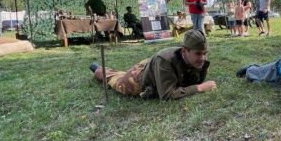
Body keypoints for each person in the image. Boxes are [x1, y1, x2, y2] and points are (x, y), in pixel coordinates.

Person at [89, 29, 217, 100]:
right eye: (198, 54)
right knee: (115, 80)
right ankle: (97, 68)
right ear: (184, 50)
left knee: (120, 73)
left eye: (205, 53)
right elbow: (167, 95)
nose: (203, 58)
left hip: (153, 66)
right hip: (138, 79)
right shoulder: (166, 60)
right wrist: (200, 88)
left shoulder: (196, 59)